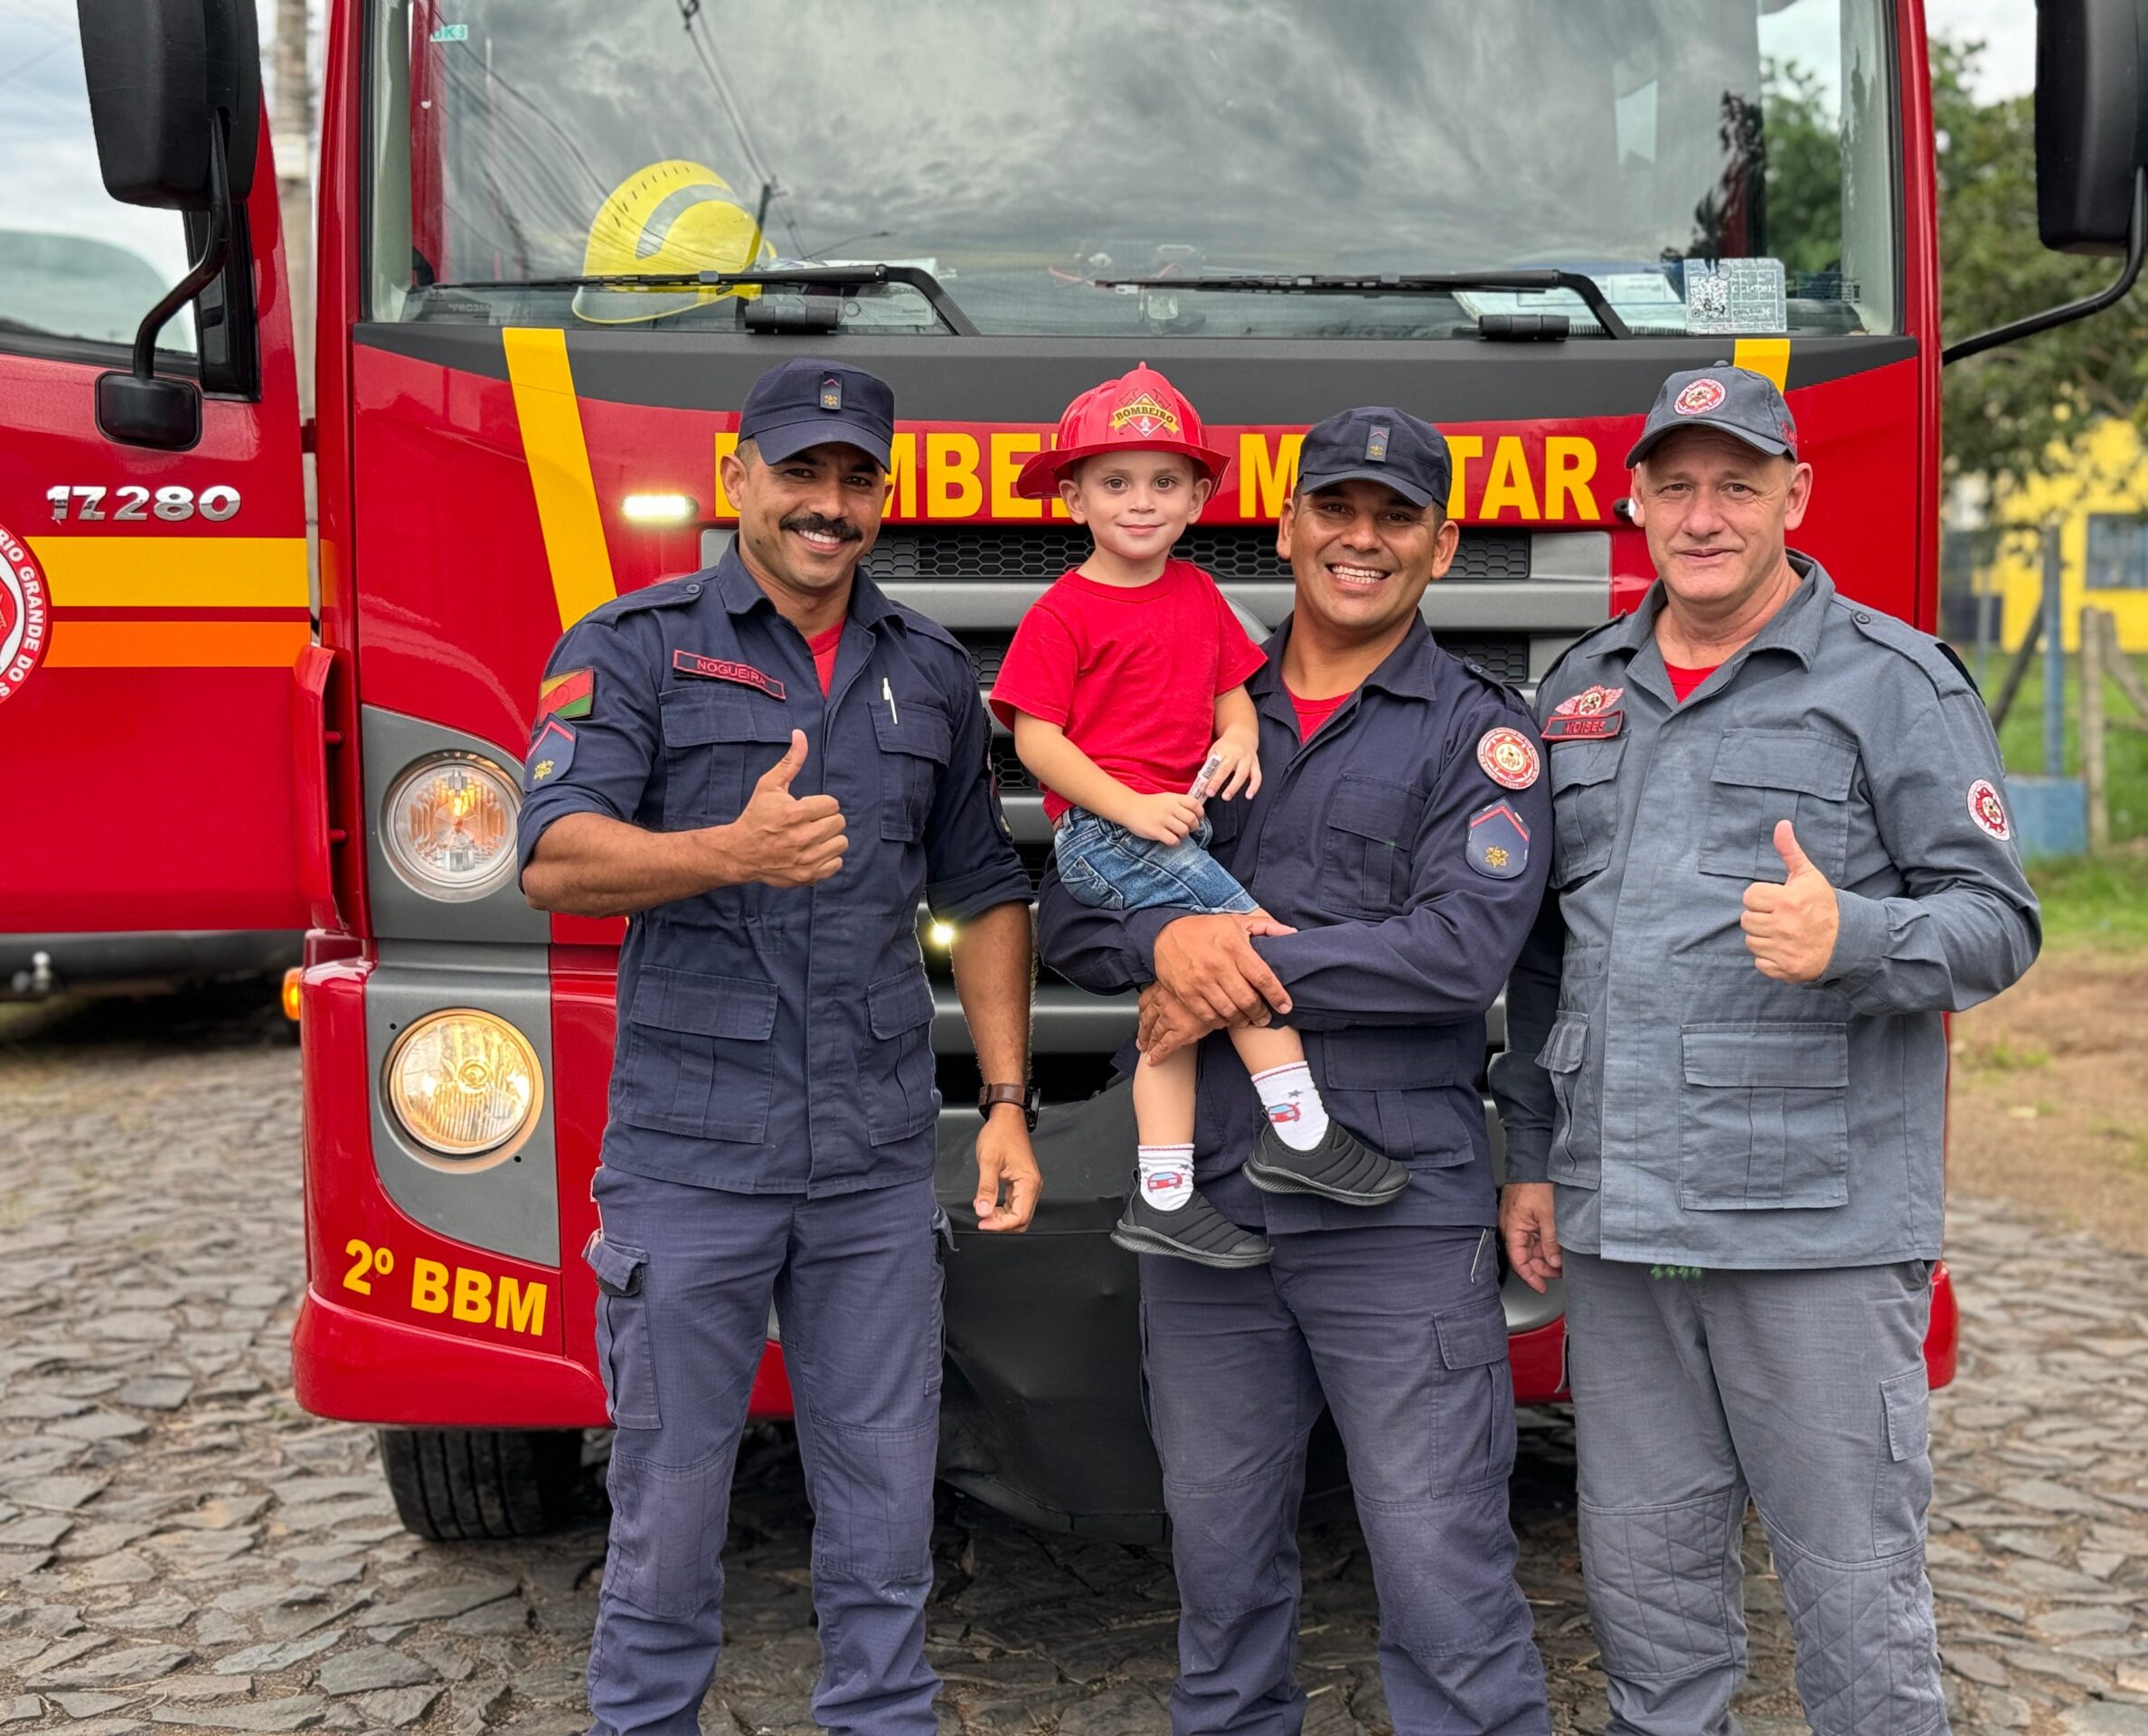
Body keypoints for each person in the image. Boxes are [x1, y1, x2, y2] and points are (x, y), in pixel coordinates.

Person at [1493, 364, 2040, 1736]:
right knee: (1647, 1592)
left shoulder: (1891, 682)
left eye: (1738, 483)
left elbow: (1996, 921)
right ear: (1633, 504)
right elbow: (1548, 955)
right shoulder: (1583, 695)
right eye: (1675, 484)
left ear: (1795, 494)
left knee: (1854, 1596)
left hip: (1817, 1227)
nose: (1705, 513)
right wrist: (1533, 1158)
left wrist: (1854, 935)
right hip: (1626, 1225)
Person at [515, 357, 1041, 1736]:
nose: (826, 504)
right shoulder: (629, 644)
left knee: (883, 1504)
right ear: (734, 476)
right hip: (692, 1153)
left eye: (853, 478)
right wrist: (725, 852)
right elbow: (555, 861)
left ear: (882, 496)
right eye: (798, 473)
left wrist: (1002, 1100)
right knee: (671, 1505)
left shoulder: (927, 670)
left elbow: (982, 890)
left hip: (870, 1160)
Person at [1041, 405, 1556, 1736]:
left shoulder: (1479, 735)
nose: (1362, 540)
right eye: (1337, 509)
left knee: (1442, 1569)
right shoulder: (1197, 703)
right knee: (1217, 1572)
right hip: (1206, 1209)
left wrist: (1228, 961)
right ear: (1287, 527)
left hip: (1395, 1209)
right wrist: (1167, 933)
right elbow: (1077, 912)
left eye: (1397, 519)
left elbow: (1458, 952)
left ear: (1441, 549)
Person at [994, 364, 1409, 1270]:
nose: (1139, 503)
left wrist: (1241, 741)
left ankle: (1166, 1191)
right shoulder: (1061, 614)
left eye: (1163, 484)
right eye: (1114, 482)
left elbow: (1232, 692)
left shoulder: (1195, 595)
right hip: (1112, 836)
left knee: (1186, 998)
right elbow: (1037, 743)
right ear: (1071, 499)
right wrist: (1131, 807)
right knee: (1246, 949)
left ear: (1196, 500)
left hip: (1176, 826)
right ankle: (1300, 1136)